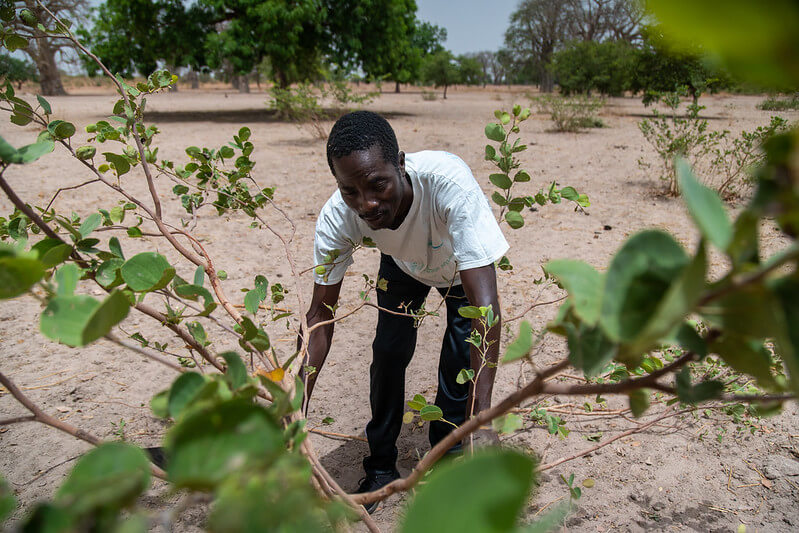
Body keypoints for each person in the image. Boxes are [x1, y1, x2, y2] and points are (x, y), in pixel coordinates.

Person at [300, 111, 507, 512]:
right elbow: (319, 319)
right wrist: (293, 406)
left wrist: (482, 418)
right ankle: (380, 466)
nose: (367, 204)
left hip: (460, 271)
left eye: (378, 185)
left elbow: (486, 308)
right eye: (351, 191)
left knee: (458, 365)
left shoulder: (448, 184)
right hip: (403, 265)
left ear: (401, 163)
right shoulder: (339, 215)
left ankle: (445, 464)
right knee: (388, 355)